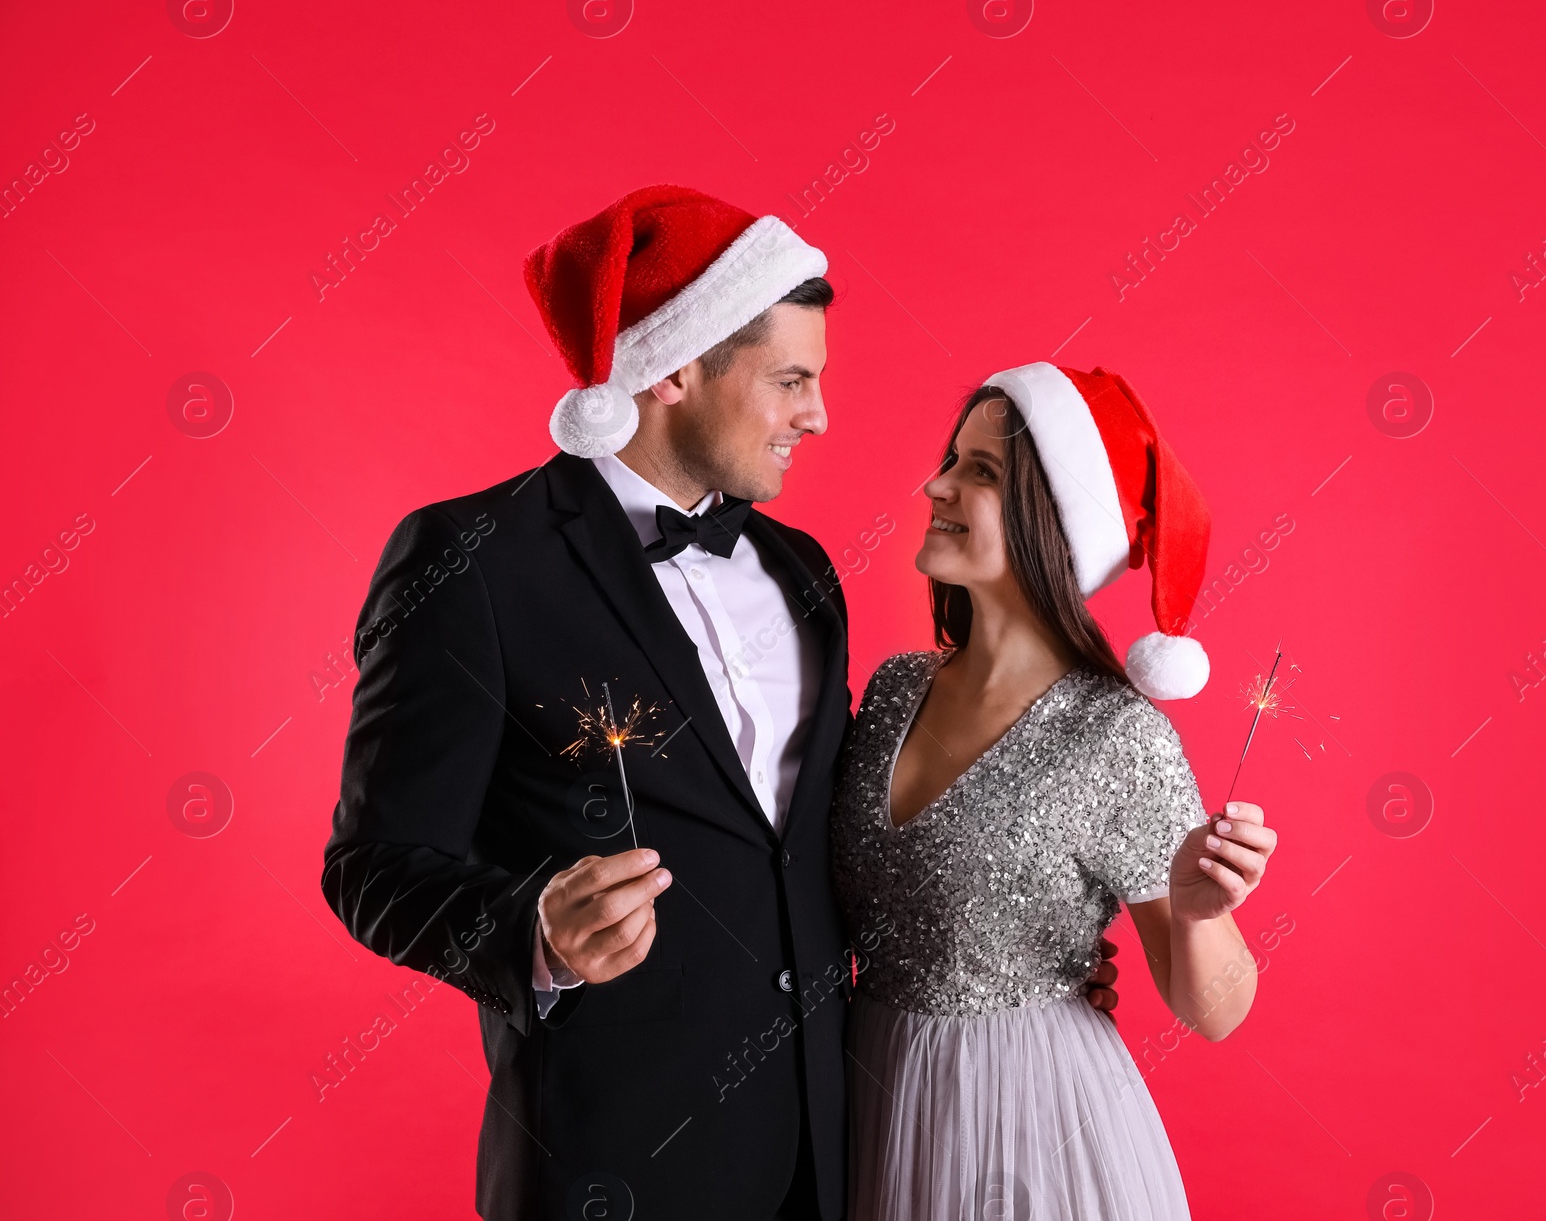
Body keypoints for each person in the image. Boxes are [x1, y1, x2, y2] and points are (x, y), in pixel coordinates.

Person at [321, 186, 1120, 1220]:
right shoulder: (469, 562)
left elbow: (823, 848)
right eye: (790, 379)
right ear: (671, 371)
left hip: (835, 1150)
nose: (817, 415)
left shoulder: (803, 573)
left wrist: (1030, 913)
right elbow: (372, 863)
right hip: (615, 1161)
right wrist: (534, 933)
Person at [830, 363, 1279, 1221]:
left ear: (1058, 528)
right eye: (952, 459)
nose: (938, 484)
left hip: (1030, 1126)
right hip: (868, 1094)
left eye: (981, 473)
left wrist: (1193, 909)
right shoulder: (893, 691)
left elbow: (1217, 1012)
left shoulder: (1115, 735)